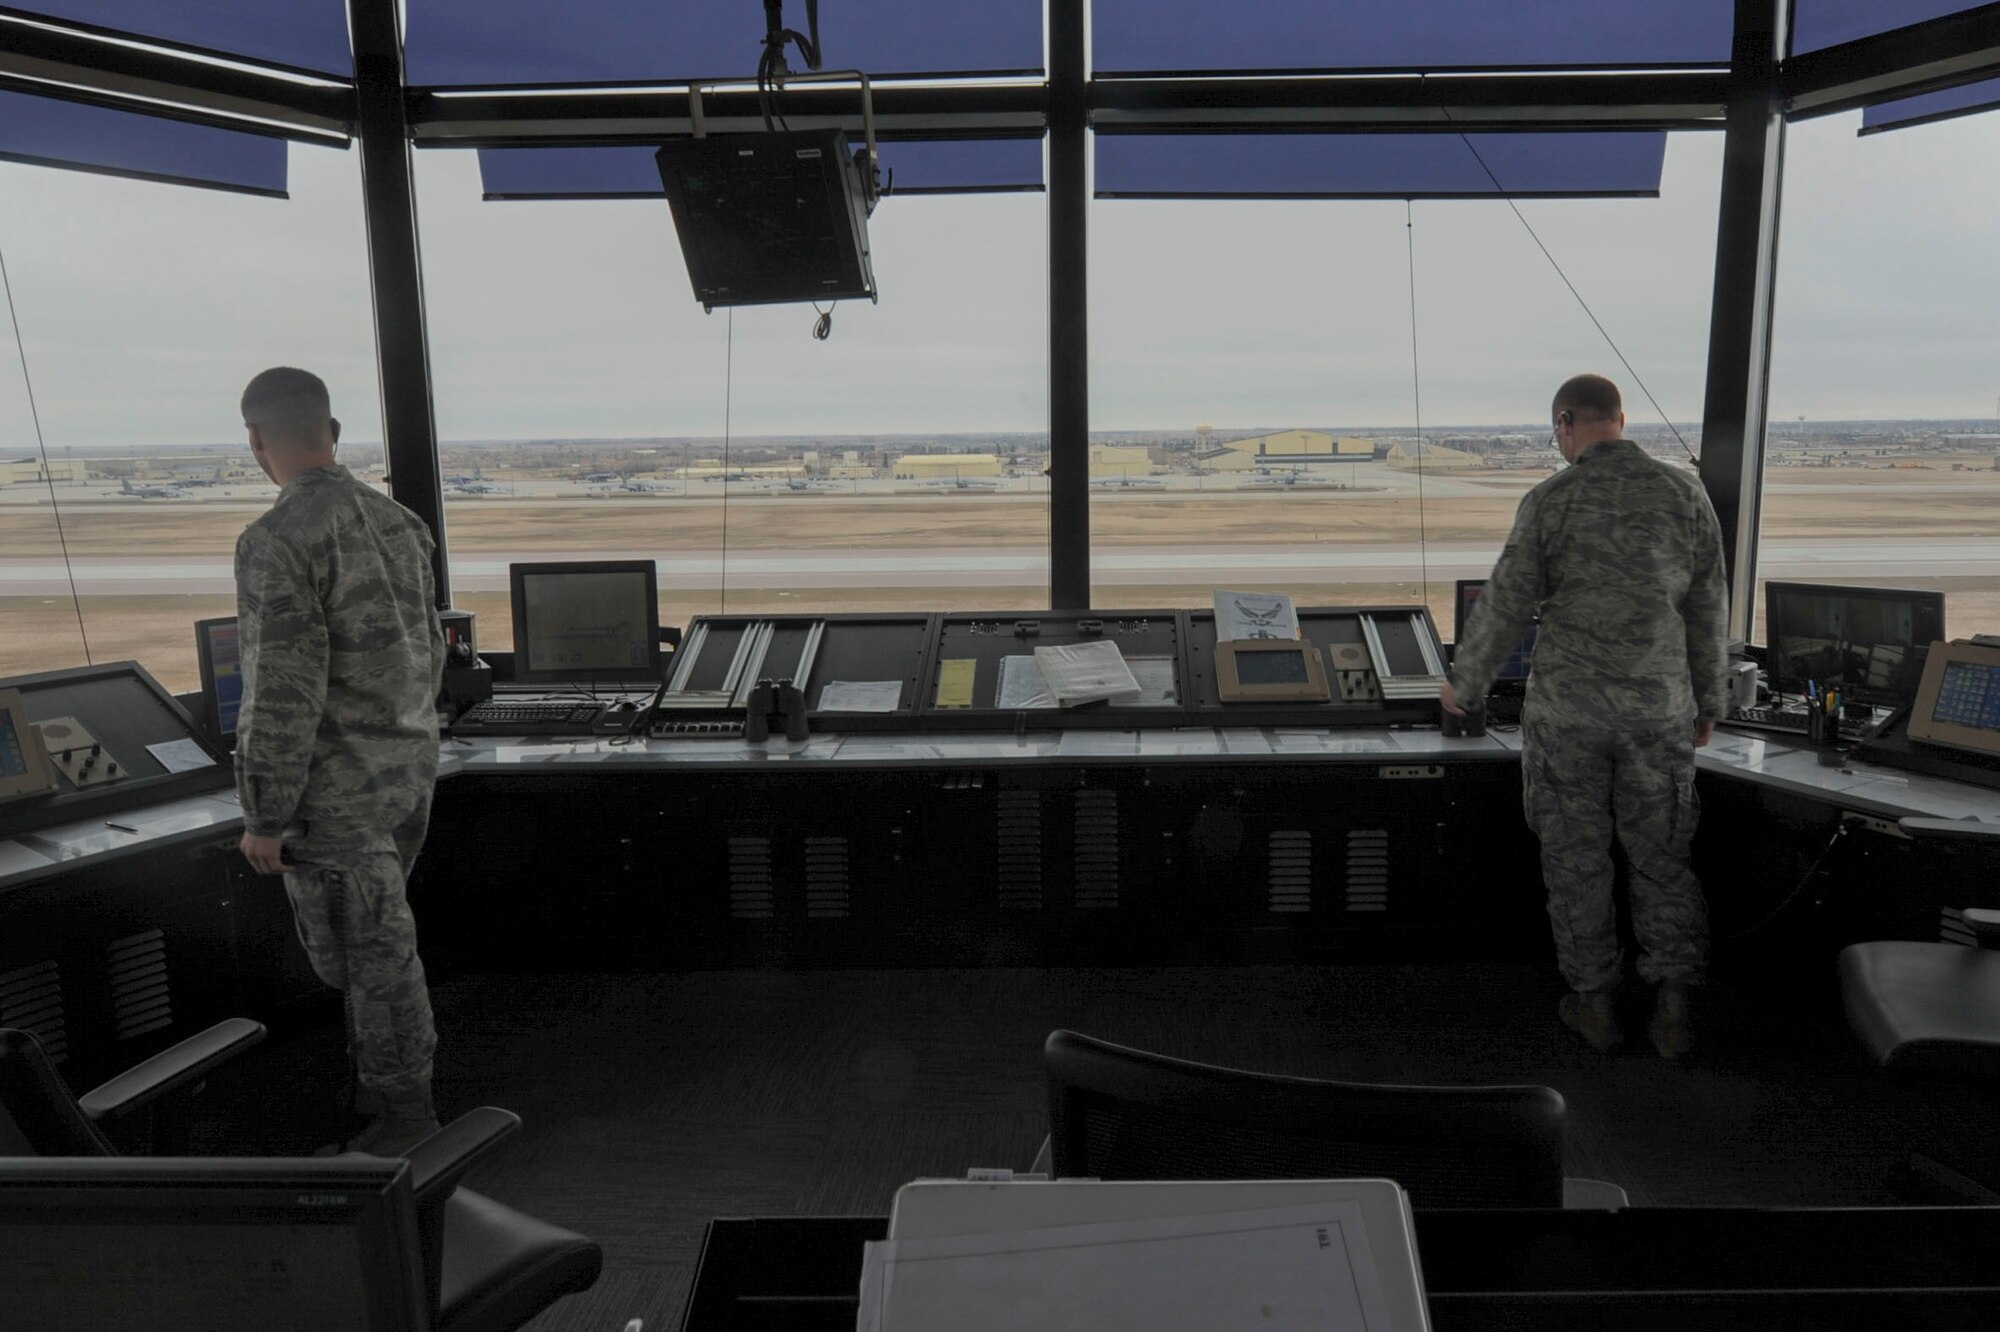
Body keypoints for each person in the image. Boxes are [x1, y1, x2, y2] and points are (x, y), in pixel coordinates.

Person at [1441, 373, 1729, 1061]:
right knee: (1662, 859)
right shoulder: (1684, 493)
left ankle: (1595, 1006)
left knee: (1576, 863)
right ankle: (1675, 1011)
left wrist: (1466, 686)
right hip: (1658, 712)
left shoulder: (1552, 499)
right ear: (1620, 420)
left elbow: (1507, 602)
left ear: (1566, 423)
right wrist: (1709, 699)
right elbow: (1707, 607)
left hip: (1568, 716)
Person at [233, 367, 448, 1153]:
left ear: (257, 440)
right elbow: (425, 652)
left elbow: (280, 691)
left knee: (375, 963)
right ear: (334, 429)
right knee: (378, 947)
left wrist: (265, 813)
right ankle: (378, 1096)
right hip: (404, 776)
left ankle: (408, 1121)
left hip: (337, 798)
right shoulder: (400, 523)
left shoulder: (276, 541)